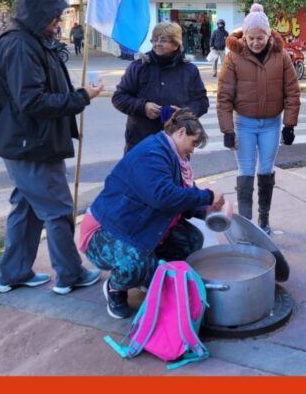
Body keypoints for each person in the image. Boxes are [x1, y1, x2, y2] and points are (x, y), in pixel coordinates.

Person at [0, 0, 104, 296]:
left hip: (24, 142)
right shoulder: (20, 45)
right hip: (31, 145)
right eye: (55, 15)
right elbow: (33, 102)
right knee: (57, 210)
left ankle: (12, 274)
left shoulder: (29, 40)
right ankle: (70, 274)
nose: (59, 20)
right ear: (38, 14)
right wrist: (81, 97)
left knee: (26, 209)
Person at [81, 109, 225, 319]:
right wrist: (206, 196)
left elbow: (179, 200)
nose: (193, 151)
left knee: (191, 240)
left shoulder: (172, 155)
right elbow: (162, 196)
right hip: (106, 231)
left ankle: (148, 275)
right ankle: (115, 288)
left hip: (140, 225)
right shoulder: (152, 154)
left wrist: (207, 210)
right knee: (135, 265)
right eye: (194, 143)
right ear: (181, 132)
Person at [217, 3, 301, 234]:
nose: (256, 42)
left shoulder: (281, 55)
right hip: (243, 124)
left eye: (260, 37)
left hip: (271, 124)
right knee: (245, 171)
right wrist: (227, 130)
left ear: (268, 35)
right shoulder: (233, 57)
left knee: (266, 170)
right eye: (251, 38)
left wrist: (289, 125)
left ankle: (263, 221)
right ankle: (246, 225)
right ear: (244, 36)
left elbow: (292, 90)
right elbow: (224, 95)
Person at [112, 21, 209, 154]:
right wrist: (143, 106)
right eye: (154, 39)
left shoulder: (189, 70)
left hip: (176, 143)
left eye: (163, 40)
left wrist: (183, 113)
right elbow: (119, 97)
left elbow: (202, 102)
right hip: (141, 141)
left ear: (176, 44)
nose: (157, 44)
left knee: (174, 175)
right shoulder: (139, 66)